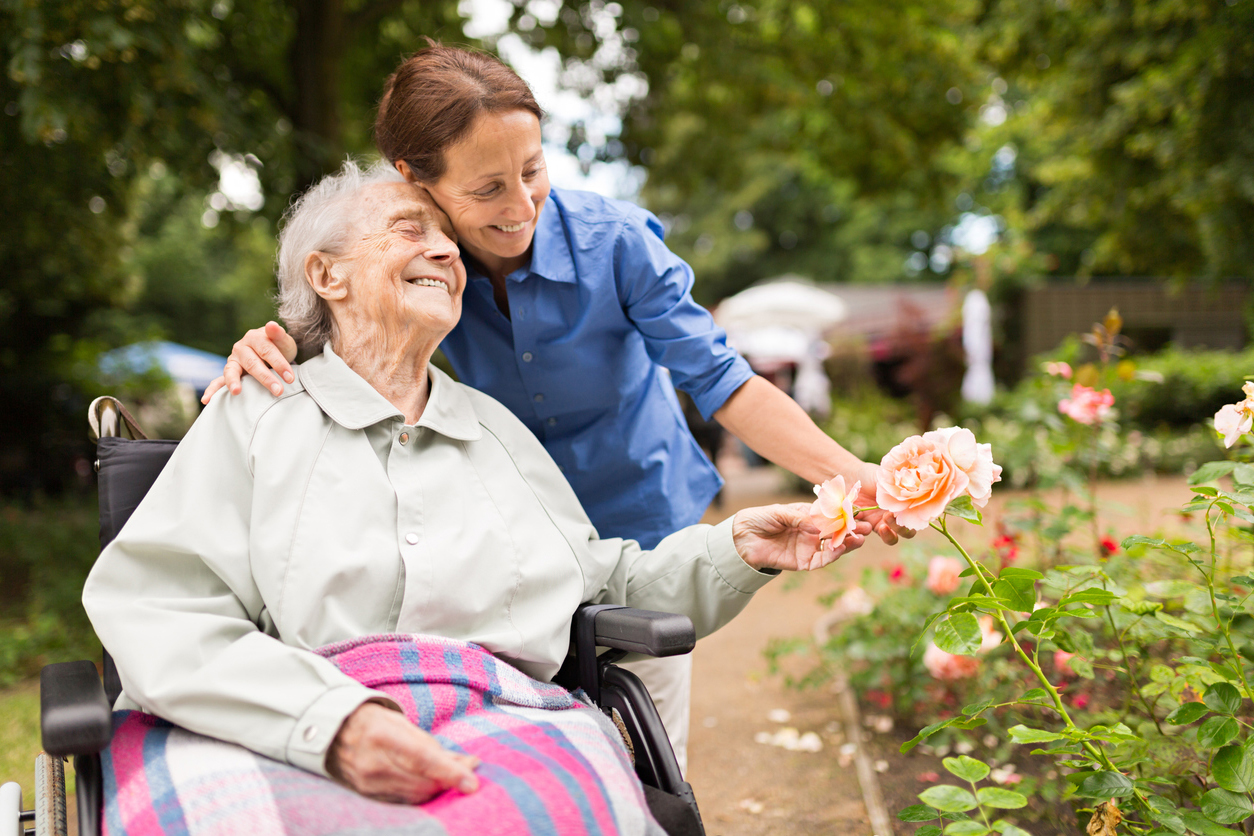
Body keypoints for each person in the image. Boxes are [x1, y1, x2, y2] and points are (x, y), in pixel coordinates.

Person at [84, 162, 869, 833]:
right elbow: (157, 607)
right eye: (407, 230)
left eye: (447, 240)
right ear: (327, 276)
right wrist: (330, 723)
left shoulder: (495, 431)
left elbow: (600, 586)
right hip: (277, 721)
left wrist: (736, 547)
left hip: (500, 721)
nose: (443, 251)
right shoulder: (256, 415)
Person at [203, 42, 907, 771]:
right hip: (511, 545)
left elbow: (722, 380)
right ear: (415, 180)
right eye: (487, 189)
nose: (520, 207)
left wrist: (854, 475)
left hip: (641, 519)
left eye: (533, 171)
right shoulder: (426, 264)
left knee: (649, 749)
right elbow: (344, 321)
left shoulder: (617, 244)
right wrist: (270, 342)